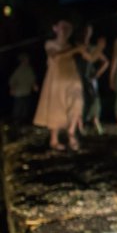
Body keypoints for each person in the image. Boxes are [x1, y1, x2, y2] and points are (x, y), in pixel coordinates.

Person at [33, 18, 89, 151]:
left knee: (77, 101)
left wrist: (87, 38)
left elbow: (89, 56)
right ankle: (54, 140)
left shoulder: (71, 45)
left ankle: (71, 131)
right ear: (55, 28)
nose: (65, 30)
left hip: (71, 78)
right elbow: (55, 56)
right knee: (56, 108)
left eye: (68, 28)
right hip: (56, 80)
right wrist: (75, 50)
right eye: (62, 27)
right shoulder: (50, 43)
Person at [76, 24, 109, 135]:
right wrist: (100, 47)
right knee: (80, 101)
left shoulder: (92, 47)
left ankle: (96, 122)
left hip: (90, 78)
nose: (86, 33)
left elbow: (105, 61)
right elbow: (90, 58)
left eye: (89, 31)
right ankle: (80, 126)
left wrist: (97, 74)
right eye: (85, 31)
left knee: (94, 100)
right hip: (79, 77)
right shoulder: (78, 46)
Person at [9, 52, 39, 124]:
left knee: (25, 109)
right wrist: (12, 88)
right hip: (19, 93)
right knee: (17, 108)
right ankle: (15, 122)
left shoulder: (29, 69)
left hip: (27, 92)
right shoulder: (18, 70)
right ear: (22, 61)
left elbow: (32, 79)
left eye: (27, 60)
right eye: (25, 60)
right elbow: (12, 80)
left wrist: (34, 85)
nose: (27, 61)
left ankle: (23, 122)